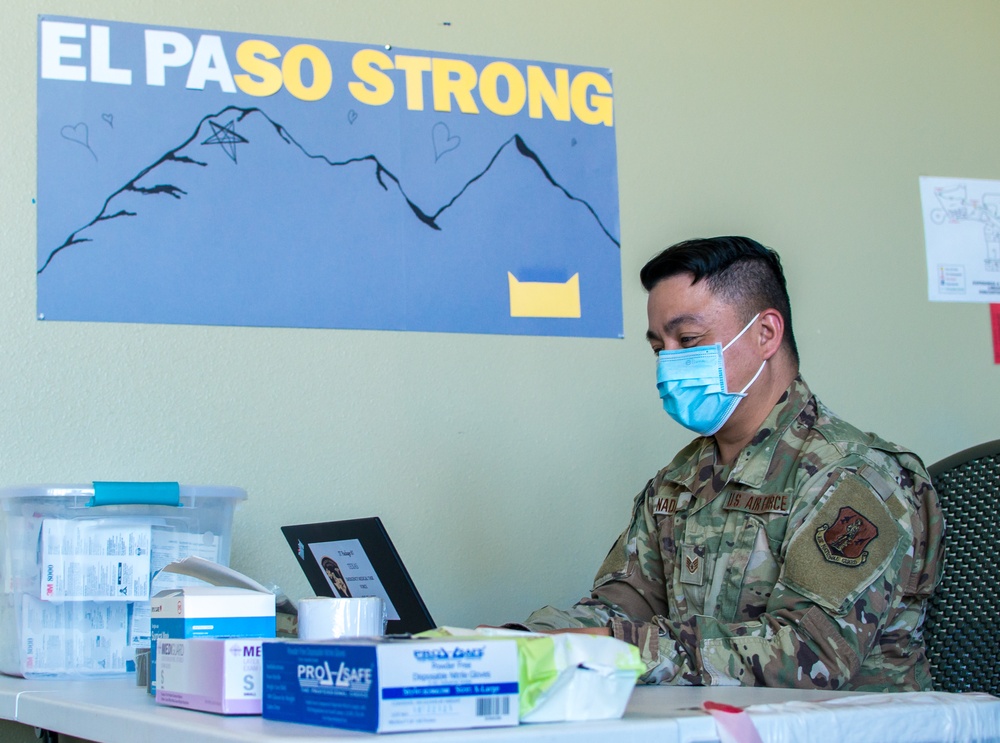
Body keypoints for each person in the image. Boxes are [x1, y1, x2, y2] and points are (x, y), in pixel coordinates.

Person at [515, 236, 943, 692]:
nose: (668, 365)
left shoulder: (854, 476)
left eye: (690, 340)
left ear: (766, 334)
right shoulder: (677, 483)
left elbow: (809, 655)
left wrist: (617, 647)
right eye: (659, 347)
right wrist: (520, 644)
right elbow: (624, 605)